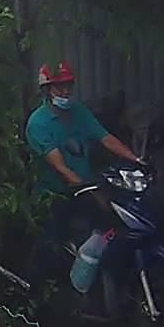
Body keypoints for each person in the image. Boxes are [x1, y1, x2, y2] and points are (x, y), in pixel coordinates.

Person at [23, 61, 144, 290]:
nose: (65, 91)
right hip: (54, 193)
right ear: (47, 90)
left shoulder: (79, 112)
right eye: (59, 87)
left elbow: (105, 138)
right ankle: (35, 293)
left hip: (85, 188)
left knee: (115, 228)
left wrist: (135, 160)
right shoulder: (38, 123)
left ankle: (108, 288)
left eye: (68, 85)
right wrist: (90, 190)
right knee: (51, 245)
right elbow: (60, 167)